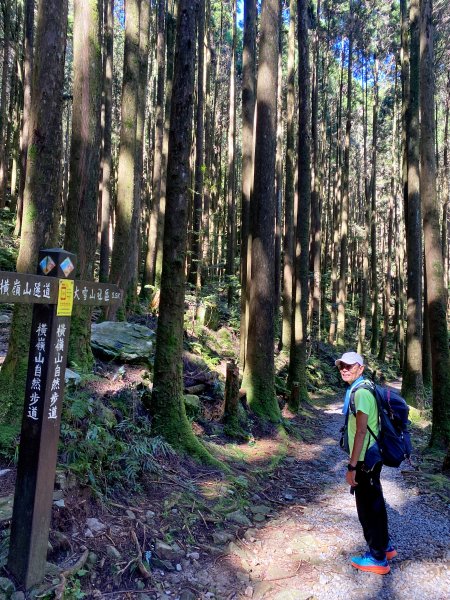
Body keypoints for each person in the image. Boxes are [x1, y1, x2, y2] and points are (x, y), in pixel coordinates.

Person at [336, 351, 397, 575]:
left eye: (350, 366)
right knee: (376, 501)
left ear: (360, 368)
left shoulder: (360, 393)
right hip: (372, 455)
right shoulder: (367, 386)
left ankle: (377, 558)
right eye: (342, 365)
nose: (344, 369)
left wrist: (352, 466)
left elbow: (361, 431)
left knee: (367, 508)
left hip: (364, 458)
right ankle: (385, 546)